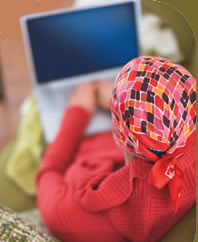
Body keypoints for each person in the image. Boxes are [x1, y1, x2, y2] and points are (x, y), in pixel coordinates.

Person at [36, 56, 196, 242]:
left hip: (79, 141)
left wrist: (77, 112)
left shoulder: (66, 216)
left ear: (118, 136)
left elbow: (49, 171)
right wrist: (127, 103)